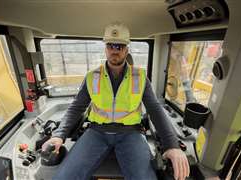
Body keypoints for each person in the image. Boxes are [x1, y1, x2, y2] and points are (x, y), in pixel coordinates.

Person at [42, 22, 190, 180]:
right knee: (64, 177)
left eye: (119, 46)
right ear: (105, 48)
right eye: (110, 46)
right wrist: (59, 135)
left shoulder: (140, 77)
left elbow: (154, 109)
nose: (115, 50)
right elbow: (76, 108)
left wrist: (172, 145)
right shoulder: (92, 77)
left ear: (127, 49)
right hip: (96, 132)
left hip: (131, 133)